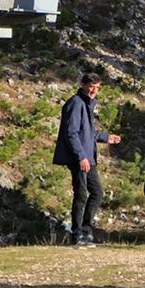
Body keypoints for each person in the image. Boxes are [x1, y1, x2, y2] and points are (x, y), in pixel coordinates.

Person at [53, 73, 121, 247]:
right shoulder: (76, 103)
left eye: (97, 87)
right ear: (82, 85)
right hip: (79, 159)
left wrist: (106, 137)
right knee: (81, 195)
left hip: (88, 158)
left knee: (97, 192)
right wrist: (81, 156)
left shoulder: (88, 104)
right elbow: (71, 133)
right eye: (91, 86)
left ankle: (86, 232)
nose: (94, 90)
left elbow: (88, 133)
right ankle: (77, 236)